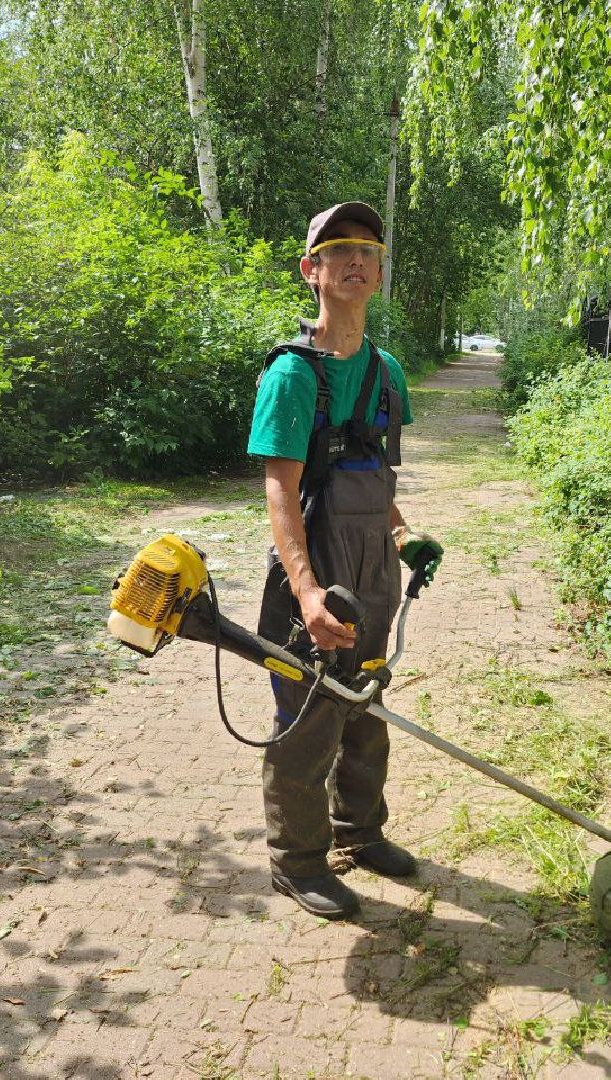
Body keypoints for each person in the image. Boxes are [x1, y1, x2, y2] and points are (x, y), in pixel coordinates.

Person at [246, 201, 442, 919]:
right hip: (314, 573)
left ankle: (359, 834)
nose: (356, 258)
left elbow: (375, 479)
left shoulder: (388, 373)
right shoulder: (294, 376)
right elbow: (281, 490)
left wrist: (402, 536)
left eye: (368, 249)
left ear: (380, 274)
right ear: (312, 272)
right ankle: (296, 862)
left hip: (372, 574)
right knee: (306, 724)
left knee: (364, 707)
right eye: (338, 249)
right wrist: (306, 594)